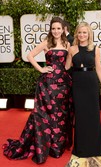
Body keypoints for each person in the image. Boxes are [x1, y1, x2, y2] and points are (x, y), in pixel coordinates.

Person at [3, 16, 73, 164]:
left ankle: (57, 147)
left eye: (58, 28)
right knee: (46, 115)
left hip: (63, 86)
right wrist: (41, 69)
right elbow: (30, 55)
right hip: (47, 85)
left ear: (63, 30)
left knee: (61, 116)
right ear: (50, 29)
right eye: (53, 28)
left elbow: (67, 66)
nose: (56, 31)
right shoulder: (47, 42)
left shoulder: (67, 44)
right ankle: (46, 147)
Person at [65, 22, 101, 166]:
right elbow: (66, 67)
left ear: (89, 34)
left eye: (85, 32)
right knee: (81, 116)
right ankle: (82, 148)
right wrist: (65, 52)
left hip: (91, 83)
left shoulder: (95, 49)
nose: (82, 35)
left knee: (93, 115)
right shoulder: (72, 48)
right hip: (77, 85)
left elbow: (99, 69)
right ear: (76, 34)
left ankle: (96, 147)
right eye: (80, 32)